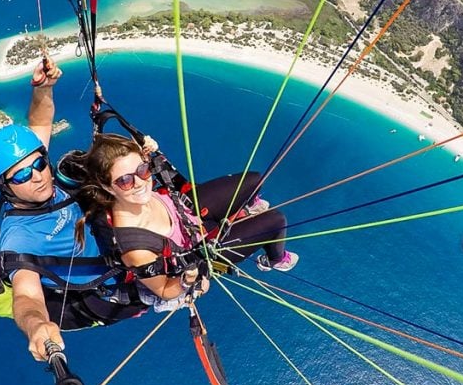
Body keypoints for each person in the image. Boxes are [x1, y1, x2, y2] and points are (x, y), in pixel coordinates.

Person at [0, 61, 145, 360]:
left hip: (114, 240)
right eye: (21, 176)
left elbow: (40, 123)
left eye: (39, 164)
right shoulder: (18, 237)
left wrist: (43, 89)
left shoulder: (38, 178)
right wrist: (37, 326)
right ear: (4, 187)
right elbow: (26, 295)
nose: (37, 175)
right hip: (110, 287)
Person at [76, 133, 298, 312]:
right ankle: (274, 259)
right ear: (107, 187)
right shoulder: (135, 248)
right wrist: (186, 282)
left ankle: (242, 210)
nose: (139, 183)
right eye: (124, 181)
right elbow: (163, 289)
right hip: (196, 254)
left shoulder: (138, 178)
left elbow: (133, 163)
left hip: (185, 210)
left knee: (255, 180)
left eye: (143, 170)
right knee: (275, 222)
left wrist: (146, 152)